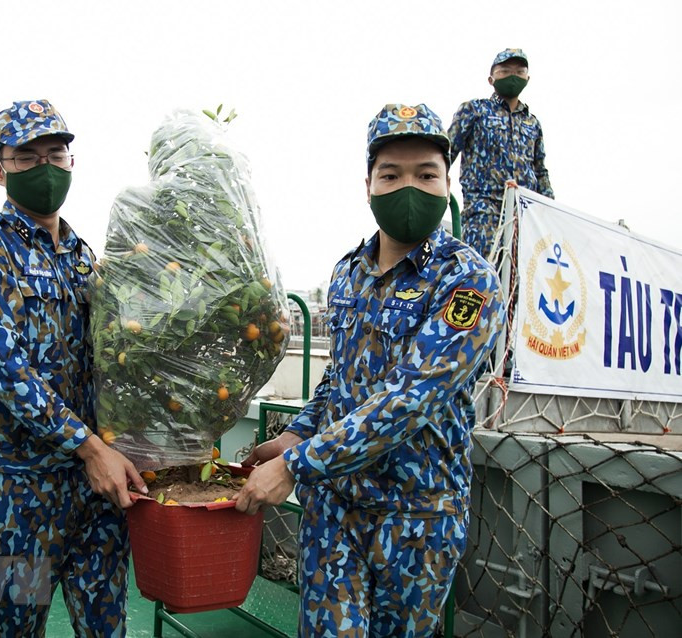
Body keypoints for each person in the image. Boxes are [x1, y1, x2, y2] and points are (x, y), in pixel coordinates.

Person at [234, 104, 506, 637]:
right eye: (391, 174)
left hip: (416, 516)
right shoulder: (348, 273)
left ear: (447, 183)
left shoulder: (468, 280)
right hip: (334, 508)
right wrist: (294, 434)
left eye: (426, 174)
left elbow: (411, 397)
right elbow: (342, 377)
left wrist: (297, 464)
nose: (410, 186)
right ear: (368, 185)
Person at [0, 99, 146, 637]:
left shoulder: (84, 256)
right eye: (27, 158)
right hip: (16, 494)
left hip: (94, 490)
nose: (46, 168)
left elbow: (117, 360)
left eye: (57, 155)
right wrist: (90, 446)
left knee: (107, 624)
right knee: (18, 624)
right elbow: (4, 368)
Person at [448, 48, 554, 259]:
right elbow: (445, 153)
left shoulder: (532, 123)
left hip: (524, 215)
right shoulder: (475, 110)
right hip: (483, 210)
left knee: (520, 282)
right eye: (505, 71)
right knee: (481, 274)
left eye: (519, 71)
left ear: (527, 78)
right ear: (491, 78)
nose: (513, 76)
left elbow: (540, 170)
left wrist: (550, 211)